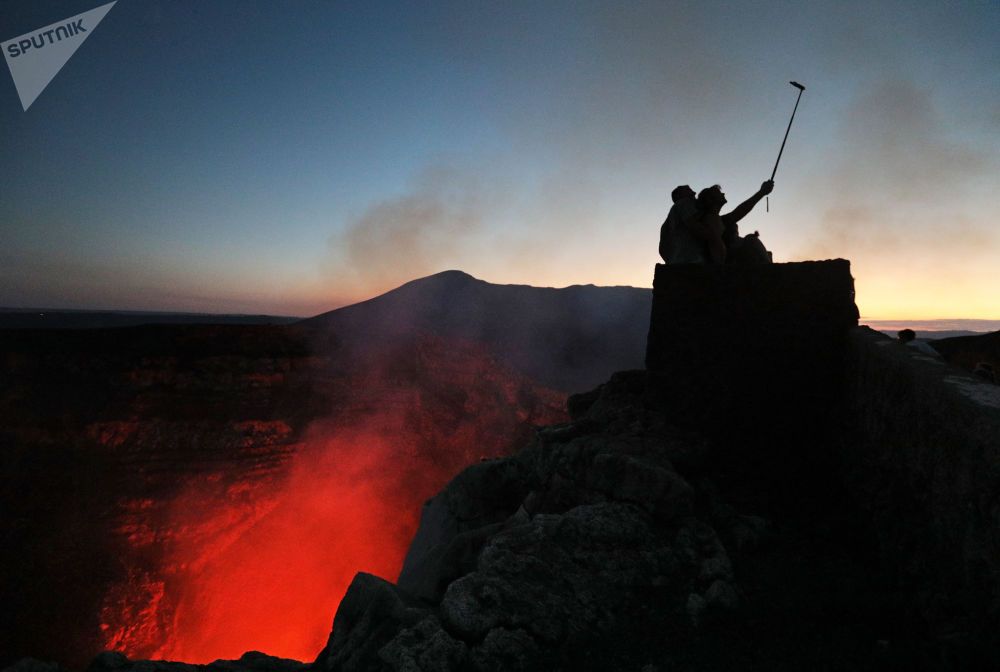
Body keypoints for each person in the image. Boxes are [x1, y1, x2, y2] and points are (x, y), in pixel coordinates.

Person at [659, 180, 774, 265]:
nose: (694, 193)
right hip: (688, 264)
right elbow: (707, 235)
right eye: (689, 191)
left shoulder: (713, 220)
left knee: (751, 241)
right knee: (751, 241)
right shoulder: (683, 204)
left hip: (692, 263)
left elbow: (739, 211)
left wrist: (761, 193)